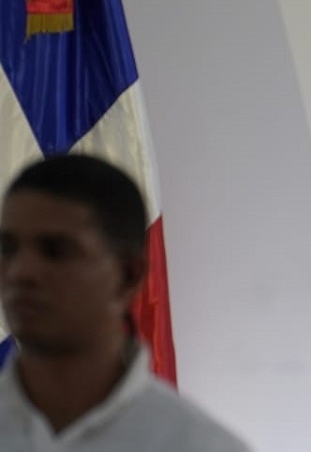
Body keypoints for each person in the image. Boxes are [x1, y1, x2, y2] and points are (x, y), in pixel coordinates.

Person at [0, 154, 252, 451]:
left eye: (56, 251)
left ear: (128, 275)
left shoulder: (200, 445)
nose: (21, 272)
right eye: (8, 249)